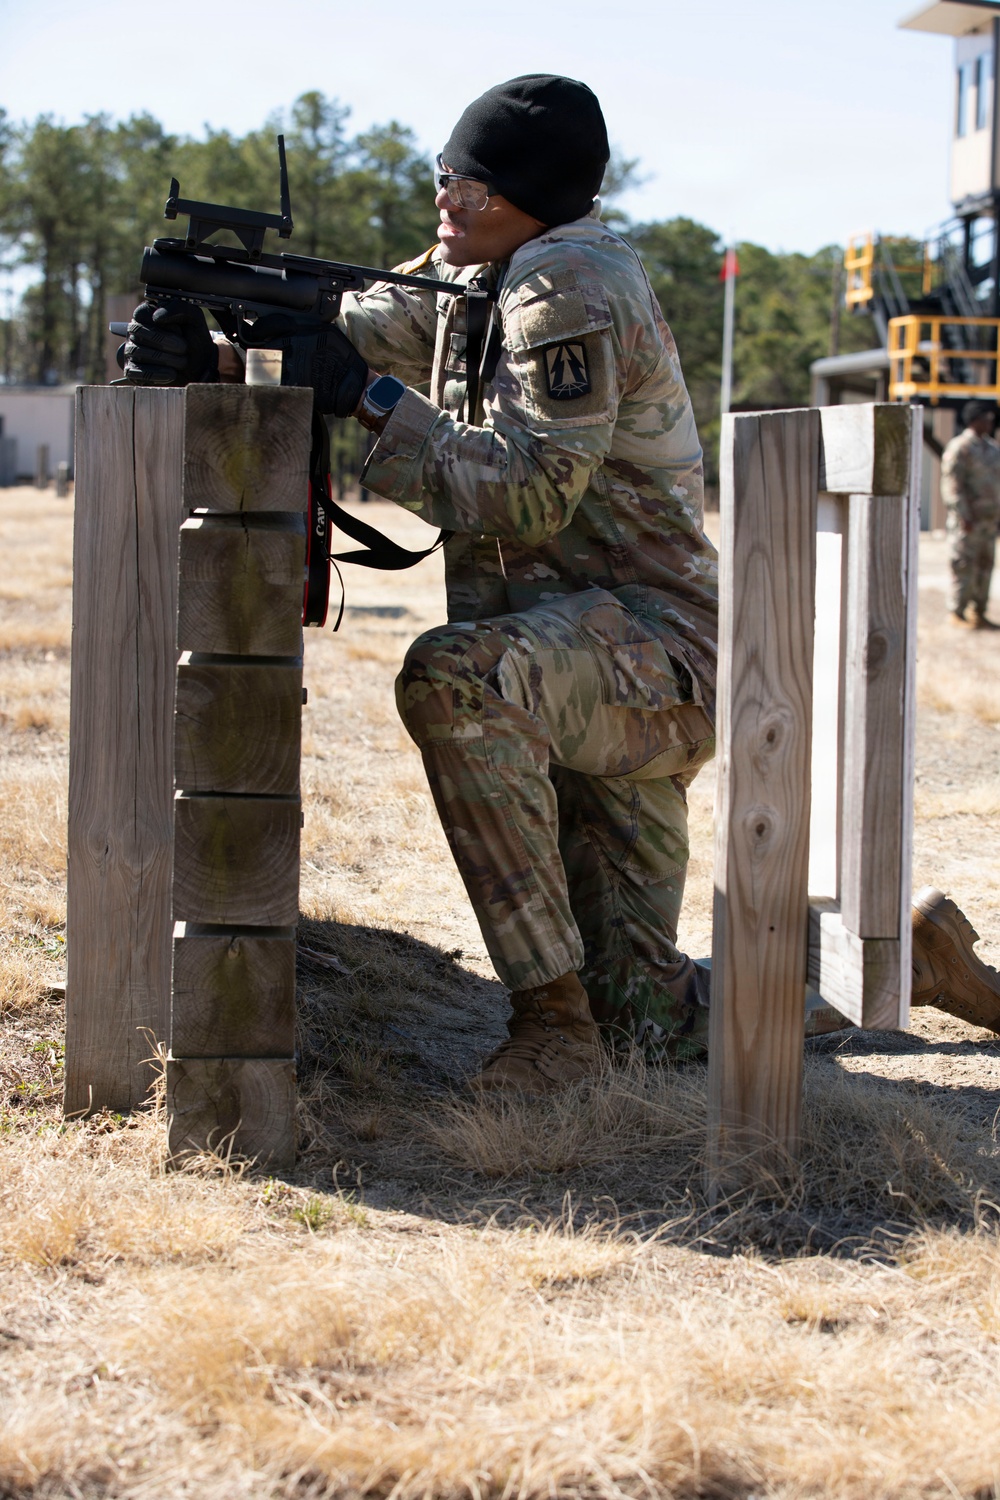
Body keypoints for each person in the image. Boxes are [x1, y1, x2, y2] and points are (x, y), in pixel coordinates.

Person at [122, 75, 1000, 1088]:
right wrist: (216, 351)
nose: (442, 200)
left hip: (654, 659)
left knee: (452, 681)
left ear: (521, 197)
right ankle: (910, 960)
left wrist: (359, 396)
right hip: (565, 657)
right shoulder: (479, 268)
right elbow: (353, 324)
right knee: (654, 1026)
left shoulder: (567, 280)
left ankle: (551, 1029)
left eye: (463, 184)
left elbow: (530, 491)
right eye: (442, 177)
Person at [941, 398, 1000, 629]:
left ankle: (979, 612)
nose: (990, 422)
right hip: (967, 521)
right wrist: (963, 515)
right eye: (987, 418)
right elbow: (952, 485)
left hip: (988, 521)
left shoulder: (993, 448)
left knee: (985, 566)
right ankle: (957, 611)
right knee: (963, 564)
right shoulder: (960, 448)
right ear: (975, 420)